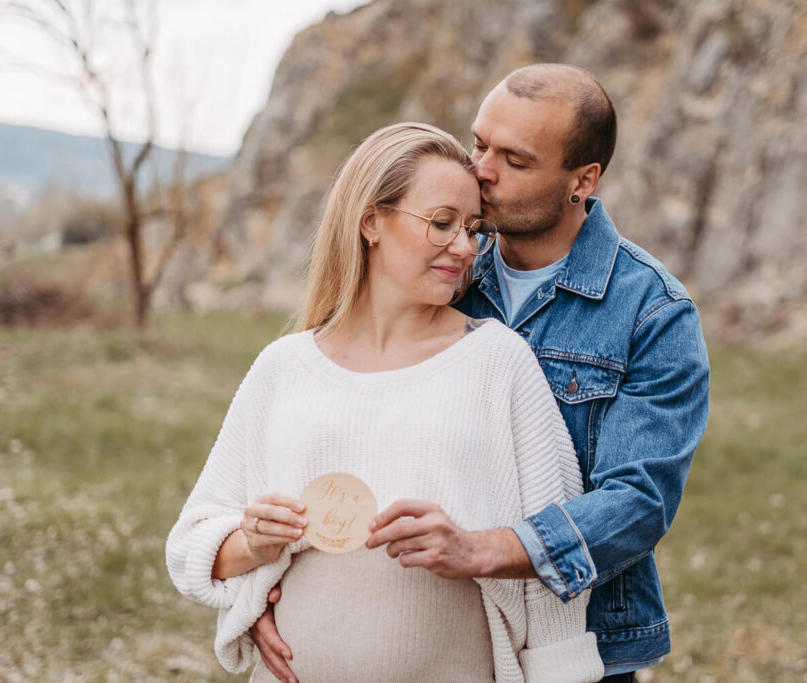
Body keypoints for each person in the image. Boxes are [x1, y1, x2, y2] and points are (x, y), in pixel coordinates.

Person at [253, 65, 710, 683]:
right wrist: (268, 591)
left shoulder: (652, 310)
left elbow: (639, 501)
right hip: (448, 638)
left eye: (515, 160)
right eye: (479, 144)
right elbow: (338, 431)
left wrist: (479, 549)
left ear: (582, 180)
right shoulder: (441, 268)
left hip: (581, 641)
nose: (482, 171)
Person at [166, 122, 605, 683]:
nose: (465, 247)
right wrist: (253, 544)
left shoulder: (498, 362)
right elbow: (191, 547)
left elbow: (553, 573)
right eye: (442, 223)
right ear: (371, 220)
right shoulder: (283, 367)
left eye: (473, 229)